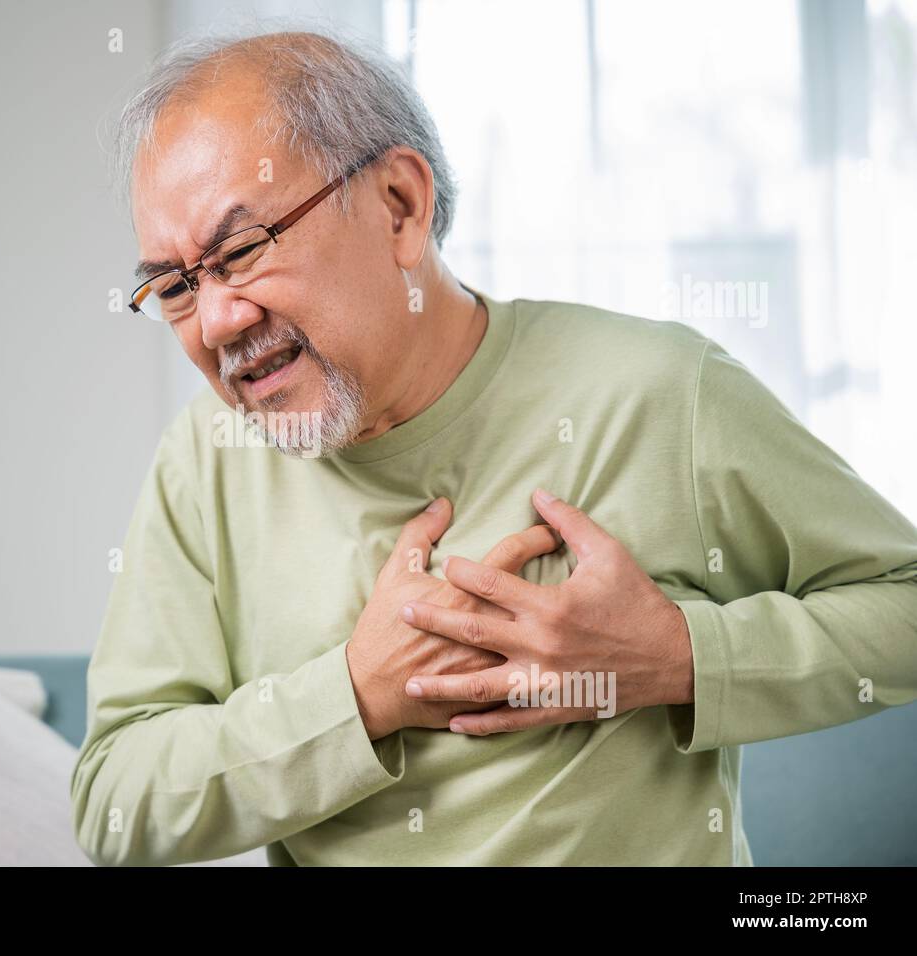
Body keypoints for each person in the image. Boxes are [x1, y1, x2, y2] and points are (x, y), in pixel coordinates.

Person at [70, 29, 917, 865]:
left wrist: (677, 657)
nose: (217, 321)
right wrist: (358, 697)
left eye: (244, 250)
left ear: (399, 206)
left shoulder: (659, 388)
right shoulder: (204, 459)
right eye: (175, 287)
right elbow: (114, 802)